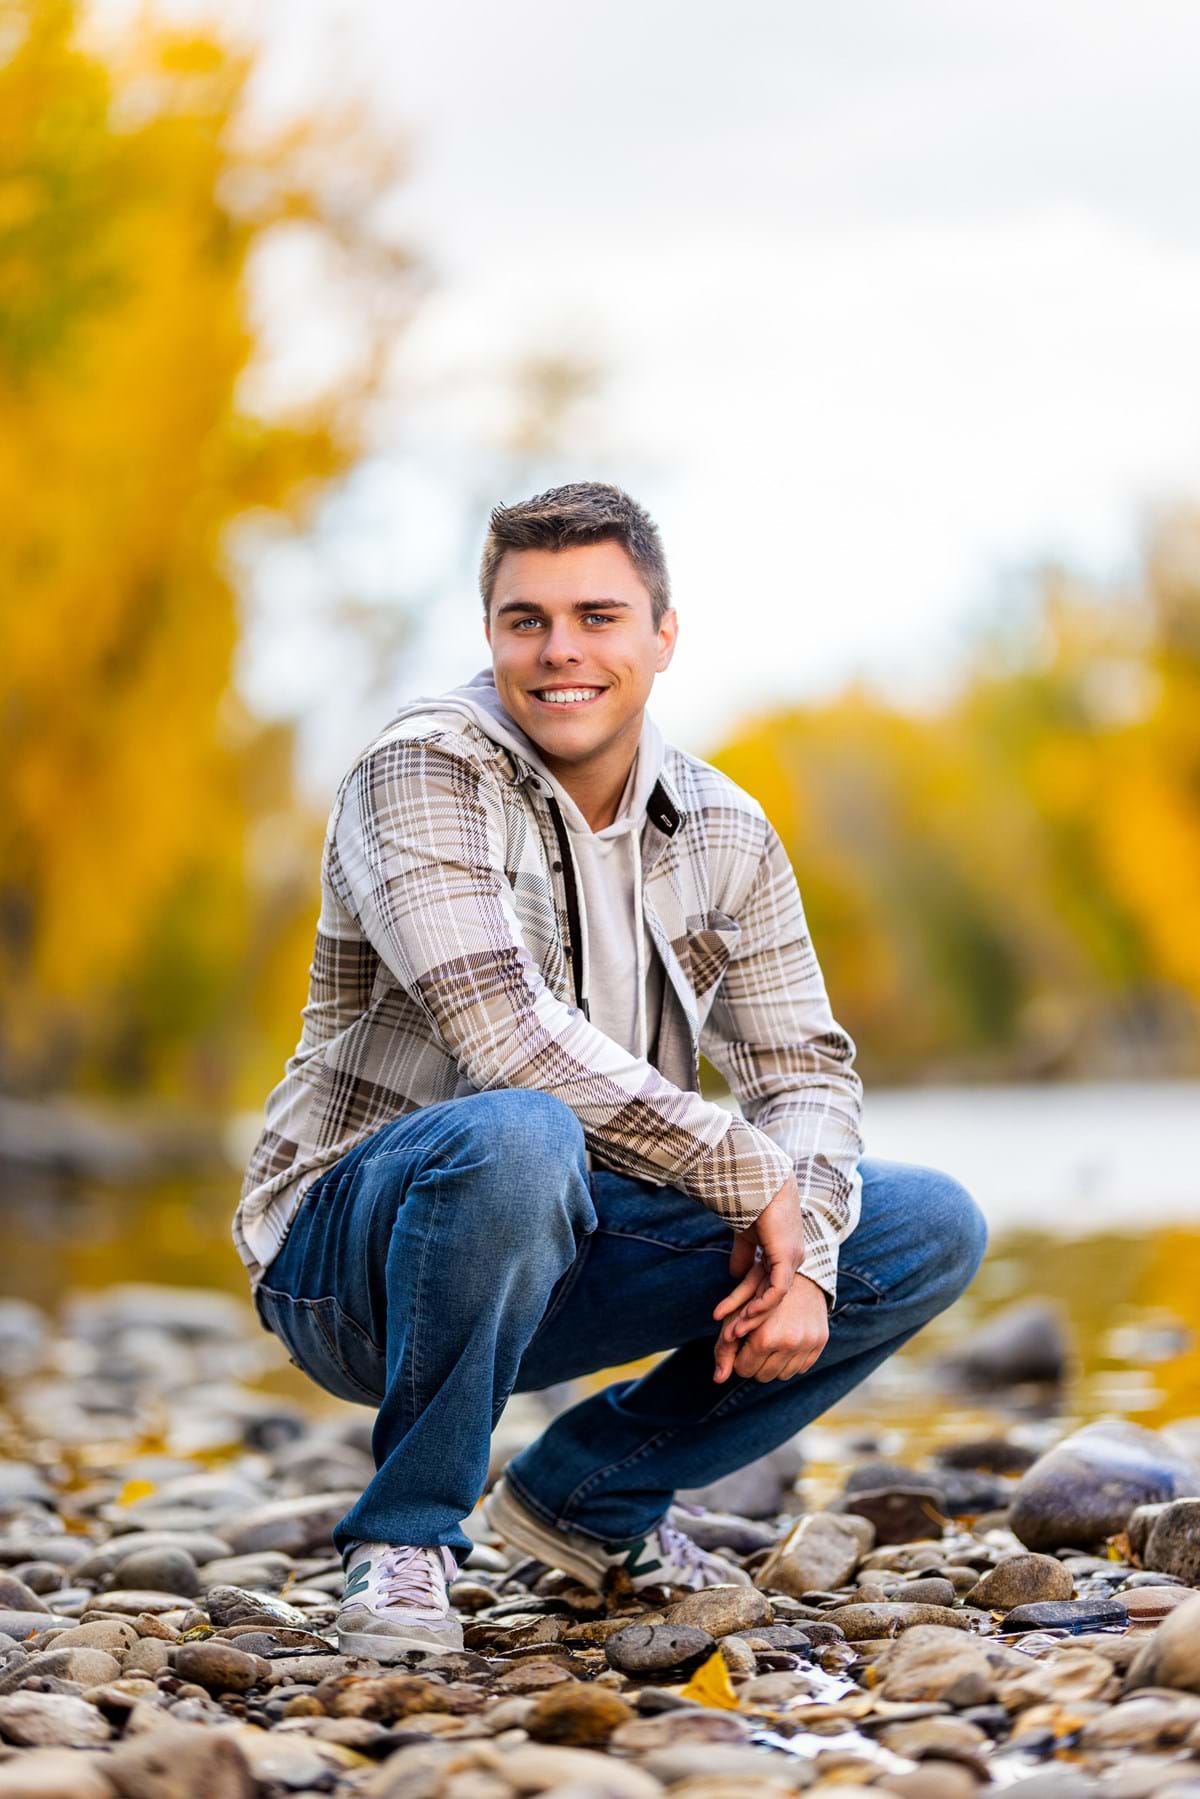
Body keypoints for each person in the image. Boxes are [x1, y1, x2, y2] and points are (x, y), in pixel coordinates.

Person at [234, 481, 987, 1660]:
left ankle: (589, 1496)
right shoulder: (420, 770)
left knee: (924, 1223)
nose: (561, 651)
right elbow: (505, 1036)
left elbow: (803, 1071)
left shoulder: (726, 830)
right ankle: (405, 1534)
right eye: (526, 619)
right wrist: (750, 1174)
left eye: (598, 615)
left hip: (567, 1246)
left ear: (663, 634)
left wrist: (809, 1251)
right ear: (490, 635)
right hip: (350, 1268)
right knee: (518, 1129)